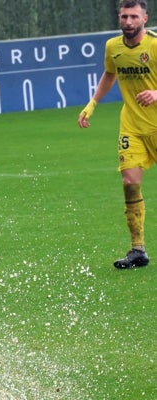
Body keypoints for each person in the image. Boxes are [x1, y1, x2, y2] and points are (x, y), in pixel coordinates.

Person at [78, 0, 157, 269]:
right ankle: (138, 250)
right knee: (129, 183)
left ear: (145, 18)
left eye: (134, 16)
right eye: (124, 16)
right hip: (132, 126)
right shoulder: (113, 46)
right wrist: (92, 104)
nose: (128, 21)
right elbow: (109, 75)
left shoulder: (155, 46)